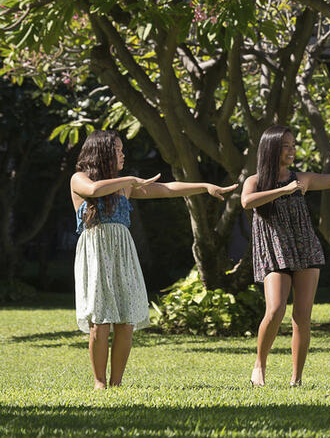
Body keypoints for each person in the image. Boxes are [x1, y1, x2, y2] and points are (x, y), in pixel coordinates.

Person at [71, 129, 236, 389]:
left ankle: (116, 383)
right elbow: (93, 189)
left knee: (126, 321)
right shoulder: (80, 178)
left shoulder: (125, 185)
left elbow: (167, 189)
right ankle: (99, 383)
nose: (123, 155)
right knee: (100, 322)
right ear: (101, 152)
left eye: (122, 150)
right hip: (96, 253)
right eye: (117, 150)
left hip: (123, 252)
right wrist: (130, 179)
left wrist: (204, 186)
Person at [241, 124, 330, 387]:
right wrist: (283, 191)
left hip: (304, 248)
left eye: (293, 145)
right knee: (275, 309)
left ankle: (296, 379)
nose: (292, 150)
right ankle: (260, 364)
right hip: (275, 252)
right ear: (271, 148)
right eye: (286, 146)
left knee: (302, 315)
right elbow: (247, 202)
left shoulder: (301, 179)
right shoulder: (255, 181)